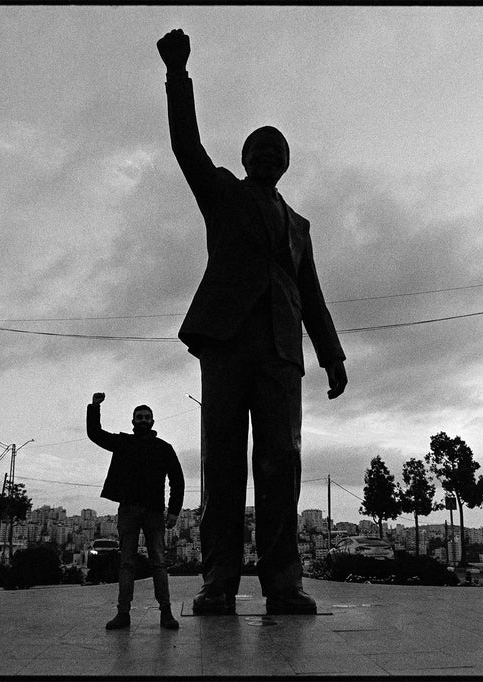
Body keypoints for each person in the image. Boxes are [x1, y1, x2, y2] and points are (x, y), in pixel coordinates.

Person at [157, 29, 348, 616]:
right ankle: (218, 583)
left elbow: (310, 293)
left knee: (281, 466)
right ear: (243, 159)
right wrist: (177, 75)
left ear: (286, 165)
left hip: (280, 354)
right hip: (225, 343)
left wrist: (331, 354)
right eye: (258, 149)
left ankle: (283, 584)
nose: (267, 155)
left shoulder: (301, 227)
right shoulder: (222, 194)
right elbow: (186, 147)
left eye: (277, 151)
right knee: (222, 461)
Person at [86, 392, 185, 630]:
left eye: (146, 417)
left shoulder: (163, 448)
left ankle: (166, 613)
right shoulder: (124, 443)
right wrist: (94, 407)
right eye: (139, 417)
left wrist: (173, 511)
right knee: (127, 563)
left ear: (152, 421)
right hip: (128, 510)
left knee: (159, 563)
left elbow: (177, 480)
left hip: (153, 513)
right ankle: (123, 614)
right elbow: (95, 434)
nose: (142, 420)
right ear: (133, 421)